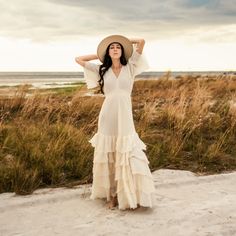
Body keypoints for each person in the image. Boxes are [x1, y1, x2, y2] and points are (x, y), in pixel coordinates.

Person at [75, 35, 155, 210]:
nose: (115, 49)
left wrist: (125, 40)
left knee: (127, 151)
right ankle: (112, 196)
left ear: (123, 51)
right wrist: (100, 55)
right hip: (107, 115)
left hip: (125, 115)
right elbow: (78, 59)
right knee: (109, 153)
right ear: (108, 52)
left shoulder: (131, 66)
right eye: (111, 47)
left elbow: (141, 41)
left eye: (118, 47)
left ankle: (125, 193)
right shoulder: (101, 70)